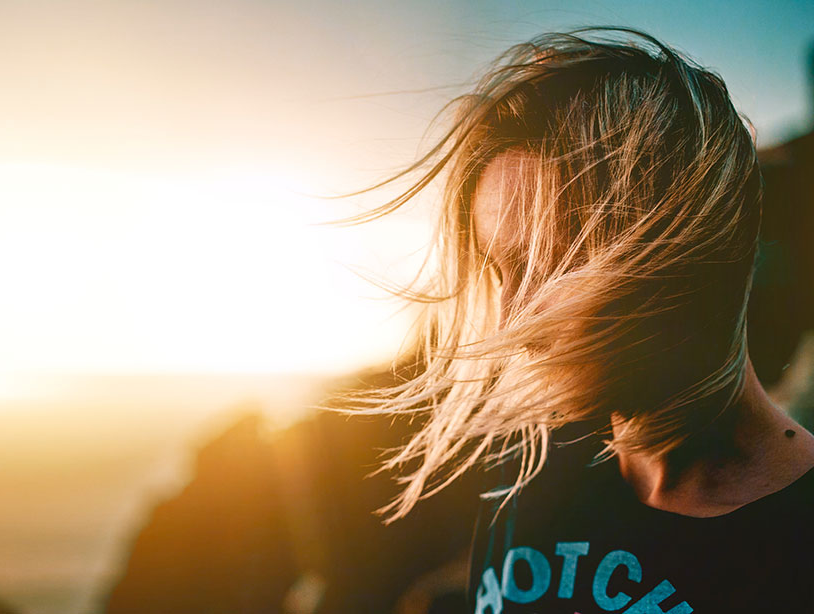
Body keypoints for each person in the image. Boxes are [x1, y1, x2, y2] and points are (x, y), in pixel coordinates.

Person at [348, 27, 814, 612]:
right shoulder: (529, 465)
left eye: (550, 266)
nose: (510, 321)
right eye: (500, 269)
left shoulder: (797, 546)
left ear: (680, 254)